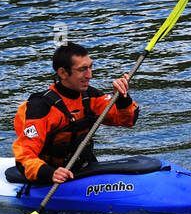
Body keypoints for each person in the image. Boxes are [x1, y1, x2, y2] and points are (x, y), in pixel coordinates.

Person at [12, 42, 139, 184]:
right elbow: (24, 156)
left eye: (90, 67)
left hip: (83, 168)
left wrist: (122, 98)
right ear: (63, 73)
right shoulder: (40, 108)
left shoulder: (91, 97)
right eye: (82, 69)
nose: (89, 75)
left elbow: (128, 120)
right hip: (50, 175)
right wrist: (50, 173)